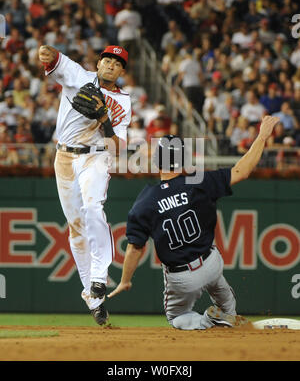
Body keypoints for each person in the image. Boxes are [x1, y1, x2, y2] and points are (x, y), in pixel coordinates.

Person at [108, 116, 279, 330]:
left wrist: (125, 280)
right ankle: (227, 315)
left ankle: (209, 320)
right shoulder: (199, 182)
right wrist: (262, 135)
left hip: (182, 277)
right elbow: (241, 171)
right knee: (227, 305)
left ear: (157, 162)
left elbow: (135, 247)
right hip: (211, 262)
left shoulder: (145, 202)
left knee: (177, 317)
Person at [38, 44, 131, 325]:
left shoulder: (124, 101)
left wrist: (106, 121)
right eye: (107, 59)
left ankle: (99, 277)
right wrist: (47, 53)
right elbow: (54, 58)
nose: (111, 64)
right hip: (64, 157)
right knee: (76, 228)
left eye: (117, 62)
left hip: (96, 157)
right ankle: (93, 297)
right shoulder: (79, 76)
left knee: (93, 208)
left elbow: (120, 149)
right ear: (99, 62)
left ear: (122, 70)